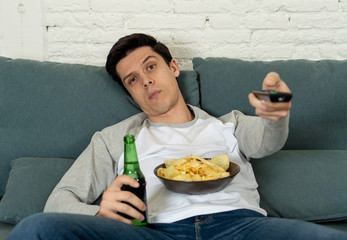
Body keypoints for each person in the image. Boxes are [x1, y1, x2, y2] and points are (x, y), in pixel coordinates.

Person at [7, 33, 347, 240]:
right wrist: (97, 214)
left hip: (240, 227)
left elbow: (266, 140)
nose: (146, 81)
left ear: (172, 67)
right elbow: (59, 201)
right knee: (34, 230)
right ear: (130, 93)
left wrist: (275, 115)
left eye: (151, 66)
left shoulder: (229, 124)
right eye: (132, 79)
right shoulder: (115, 139)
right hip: (154, 232)